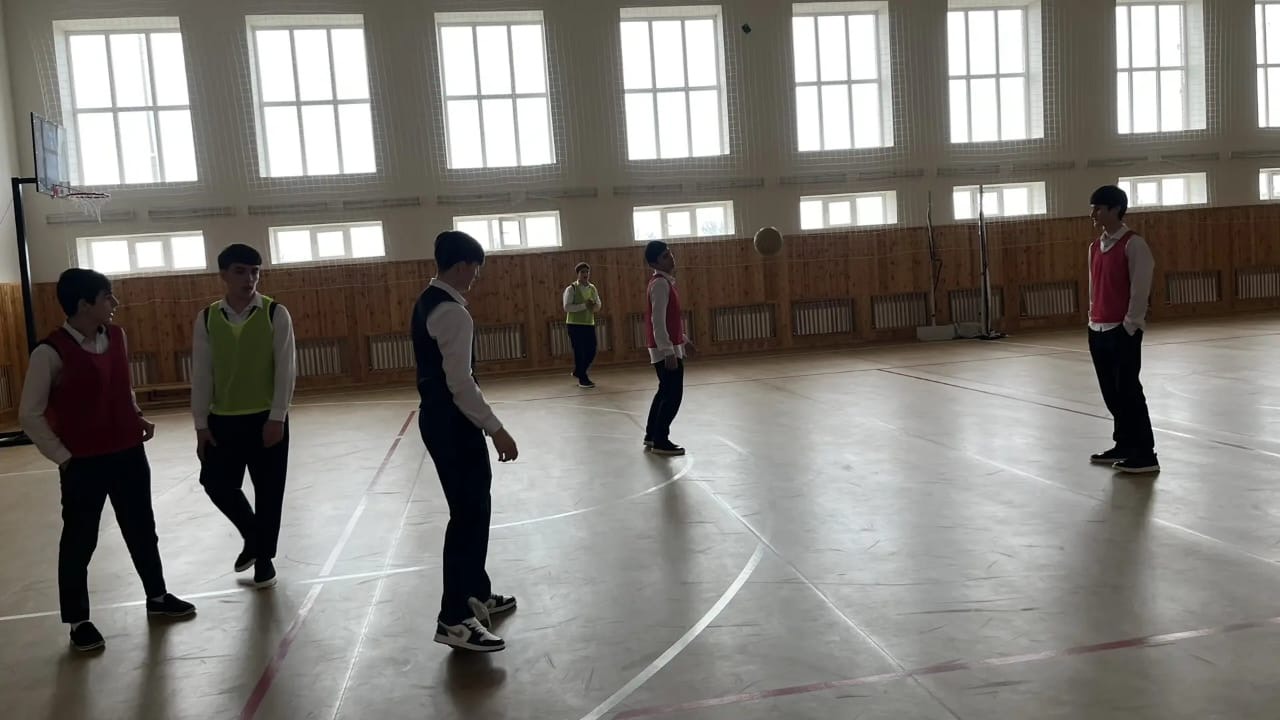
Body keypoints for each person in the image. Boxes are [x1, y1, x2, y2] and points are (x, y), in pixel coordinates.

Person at [19, 268, 195, 652]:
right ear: (85, 305)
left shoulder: (117, 337)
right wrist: (63, 457)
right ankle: (78, 621)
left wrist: (136, 416)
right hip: (83, 463)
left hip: (128, 453)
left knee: (142, 528)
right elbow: (29, 414)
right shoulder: (49, 352)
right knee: (80, 540)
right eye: (107, 297)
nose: (115, 303)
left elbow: (122, 386)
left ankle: (157, 595)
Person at [412, 230, 519, 653]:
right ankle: (454, 618)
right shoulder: (454, 313)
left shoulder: (428, 301)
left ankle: (476, 592)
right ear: (461, 266)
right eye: (475, 268)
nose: (476, 276)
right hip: (452, 423)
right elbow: (461, 383)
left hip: (441, 420)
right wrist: (496, 428)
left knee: (476, 507)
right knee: (467, 516)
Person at [192, 243, 297, 588]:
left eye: (255, 272)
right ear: (223, 274)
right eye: (240, 271)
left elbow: (286, 369)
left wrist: (277, 416)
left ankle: (264, 562)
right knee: (215, 483)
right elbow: (202, 374)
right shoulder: (207, 318)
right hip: (223, 420)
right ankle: (254, 537)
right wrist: (201, 424)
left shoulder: (275, 313)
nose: (249, 279)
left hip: (266, 418)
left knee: (269, 492)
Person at [1086, 185, 1159, 474]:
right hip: (1097, 329)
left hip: (1121, 330)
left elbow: (1140, 289)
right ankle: (1124, 444)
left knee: (1129, 392)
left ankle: (1145, 454)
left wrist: (1130, 325)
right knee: (1111, 393)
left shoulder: (1134, 244)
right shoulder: (1094, 247)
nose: (1093, 214)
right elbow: (1094, 288)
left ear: (1115, 209)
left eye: (1098, 208)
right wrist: (1092, 319)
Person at [642, 241, 694, 457]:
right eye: (665, 256)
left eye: (670, 253)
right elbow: (658, 321)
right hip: (665, 350)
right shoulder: (660, 285)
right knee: (673, 395)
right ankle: (661, 440)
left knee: (664, 391)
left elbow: (670, 319)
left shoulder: (666, 283)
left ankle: (651, 434)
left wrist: (683, 339)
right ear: (654, 263)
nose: (671, 257)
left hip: (669, 346)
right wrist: (668, 351)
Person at [562, 262, 602, 388]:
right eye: (582, 272)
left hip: (589, 323)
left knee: (592, 349)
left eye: (587, 272)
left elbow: (598, 304)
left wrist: (594, 306)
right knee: (580, 351)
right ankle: (583, 379)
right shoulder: (571, 289)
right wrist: (584, 306)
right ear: (578, 274)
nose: (585, 274)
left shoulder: (592, 288)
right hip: (574, 324)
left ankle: (579, 371)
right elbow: (567, 307)